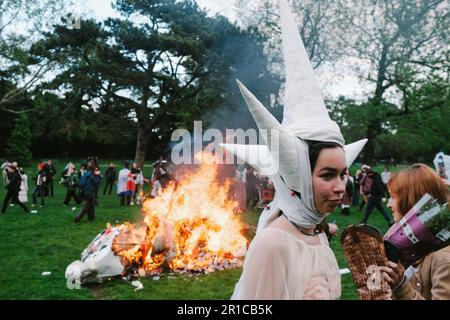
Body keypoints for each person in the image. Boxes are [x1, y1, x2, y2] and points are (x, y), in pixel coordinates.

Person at [222, 0, 367, 300]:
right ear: (296, 178)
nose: (341, 187)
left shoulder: (317, 234)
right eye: (328, 175)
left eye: (343, 174)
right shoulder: (274, 244)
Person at [380, 163, 450, 300]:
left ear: (412, 200)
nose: (388, 204)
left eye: (393, 197)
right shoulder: (398, 236)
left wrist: (401, 288)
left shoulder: (443, 259)